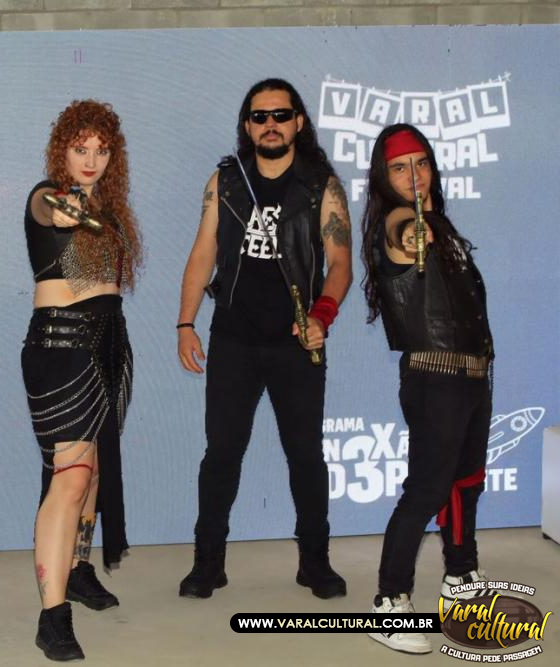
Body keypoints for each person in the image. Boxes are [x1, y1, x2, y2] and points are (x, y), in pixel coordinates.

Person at [176, 78, 352, 600]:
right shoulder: (226, 181)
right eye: (259, 116)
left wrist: (322, 315)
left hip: (298, 342)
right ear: (247, 125)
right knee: (221, 455)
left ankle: (315, 563)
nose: (270, 124)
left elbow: (340, 262)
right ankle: (208, 563)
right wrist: (185, 323)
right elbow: (203, 252)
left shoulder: (321, 185)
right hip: (232, 338)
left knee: (306, 457)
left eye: (280, 115)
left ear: (298, 122)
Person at [361, 124, 494, 654]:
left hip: (473, 375)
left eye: (420, 163)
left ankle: (460, 577)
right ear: (384, 177)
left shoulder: (442, 224)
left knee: (466, 483)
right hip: (436, 378)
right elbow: (403, 233)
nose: (413, 175)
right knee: (426, 490)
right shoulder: (398, 224)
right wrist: (414, 231)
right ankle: (389, 601)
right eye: (399, 167)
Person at [22, 100, 143, 661]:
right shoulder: (48, 195)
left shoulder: (109, 211)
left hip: (110, 345)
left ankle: (76, 568)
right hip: (62, 345)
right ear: (62, 150)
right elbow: (49, 209)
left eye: (101, 150)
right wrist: (64, 208)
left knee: (90, 473)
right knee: (70, 478)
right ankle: (52, 618)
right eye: (80, 148)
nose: (91, 159)